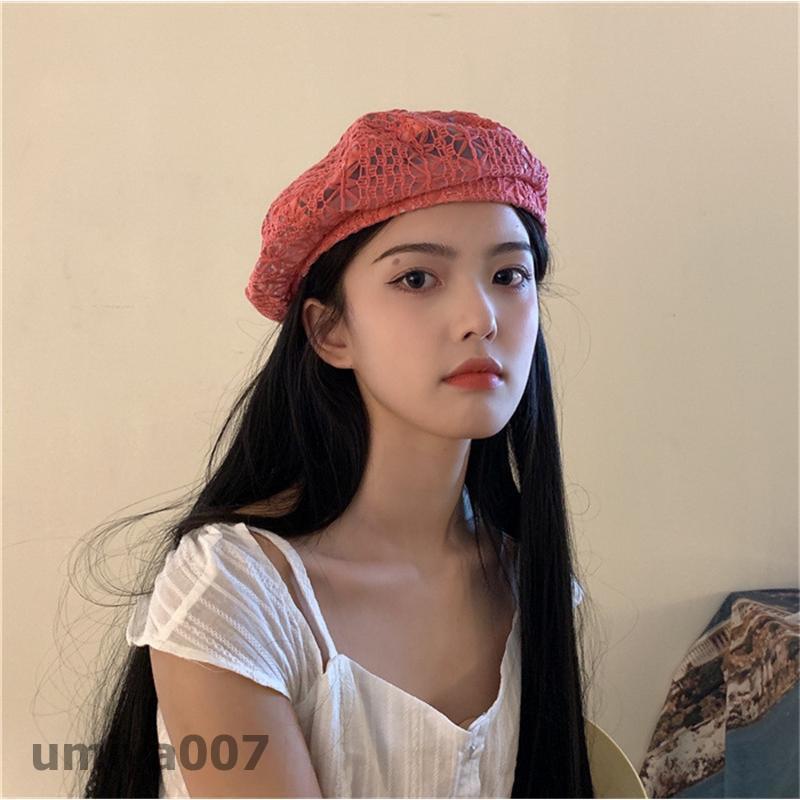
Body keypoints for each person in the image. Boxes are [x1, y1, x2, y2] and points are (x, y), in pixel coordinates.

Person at [80, 108, 595, 798]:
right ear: (330, 332)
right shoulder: (234, 595)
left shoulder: (531, 581)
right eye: (417, 279)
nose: (481, 318)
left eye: (509, 275)